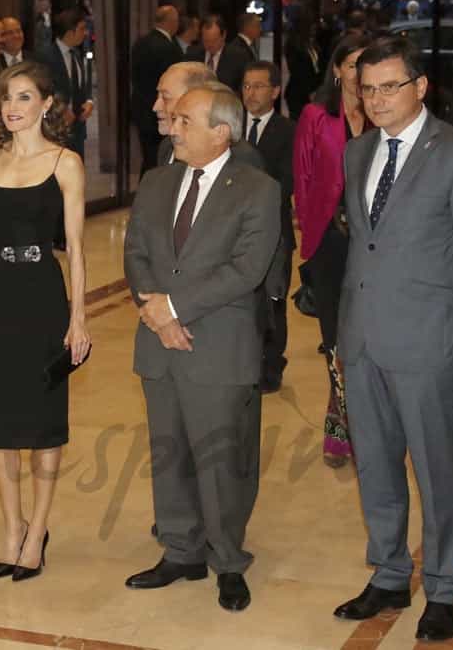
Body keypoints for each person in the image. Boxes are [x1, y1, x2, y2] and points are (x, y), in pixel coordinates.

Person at [332, 36, 453, 643]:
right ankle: (390, 572)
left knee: (435, 469)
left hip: (428, 339)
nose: (376, 99)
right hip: (363, 337)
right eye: (366, 87)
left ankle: (445, 586)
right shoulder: (356, 154)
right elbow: (362, 245)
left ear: (420, 87)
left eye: (389, 86)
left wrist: (434, 313)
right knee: (375, 464)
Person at [123, 82, 280, 613]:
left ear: (222, 131)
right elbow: (137, 251)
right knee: (169, 454)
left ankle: (228, 560)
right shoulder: (156, 180)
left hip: (217, 341)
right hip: (161, 341)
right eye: (174, 118)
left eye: (185, 120)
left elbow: (247, 269)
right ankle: (181, 550)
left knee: (220, 460)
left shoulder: (257, 189)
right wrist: (157, 313)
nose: (172, 127)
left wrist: (174, 309)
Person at [0, 61, 90, 582]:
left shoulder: (66, 164)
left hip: (42, 297)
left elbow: (77, 249)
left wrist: (79, 319)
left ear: (46, 104)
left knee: (42, 423)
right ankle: (11, 530)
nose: (12, 108)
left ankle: (37, 532)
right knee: (0, 426)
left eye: (24, 98)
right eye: (7, 99)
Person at [292, 33, 371, 467]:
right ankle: (341, 430)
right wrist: (312, 239)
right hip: (329, 241)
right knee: (335, 340)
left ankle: (368, 426)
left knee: (366, 338)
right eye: (352, 64)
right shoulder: (315, 116)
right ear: (337, 69)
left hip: (375, 245)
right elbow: (302, 180)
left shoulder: (384, 115)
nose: (359, 73)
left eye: (366, 63)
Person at [241, 61, 297, 393]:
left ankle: (272, 365)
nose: (251, 93)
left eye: (259, 86)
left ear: (275, 91)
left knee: (273, 300)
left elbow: (285, 182)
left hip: (274, 231)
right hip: (237, 233)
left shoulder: (288, 130)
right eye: (246, 86)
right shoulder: (230, 127)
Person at [154, 62, 265, 171]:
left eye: (165, 97)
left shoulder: (242, 159)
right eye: (157, 96)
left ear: (195, 97)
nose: (155, 107)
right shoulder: (167, 147)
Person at [131, 5, 184, 175]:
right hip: (160, 114)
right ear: (171, 22)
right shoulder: (167, 48)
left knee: (148, 158)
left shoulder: (141, 42)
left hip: (141, 111)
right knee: (159, 160)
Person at [42, 8, 94, 157]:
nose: (85, 33)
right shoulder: (46, 56)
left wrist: (89, 101)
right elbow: (42, 91)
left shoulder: (76, 54)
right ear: (69, 31)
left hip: (77, 129)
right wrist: (60, 109)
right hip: (56, 129)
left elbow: (82, 85)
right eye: (82, 29)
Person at [186, 15, 250, 94]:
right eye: (206, 41)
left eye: (214, 40)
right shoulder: (192, 54)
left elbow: (244, 86)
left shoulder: (238, 56)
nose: (210, 45)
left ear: (224, 35)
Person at [283, 11, 322, 120]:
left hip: (313, 92)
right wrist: (310, 91)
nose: (315, 28)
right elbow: (298, 71)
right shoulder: (293, 45)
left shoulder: (310, 43)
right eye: (312, 25)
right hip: (298, 94)